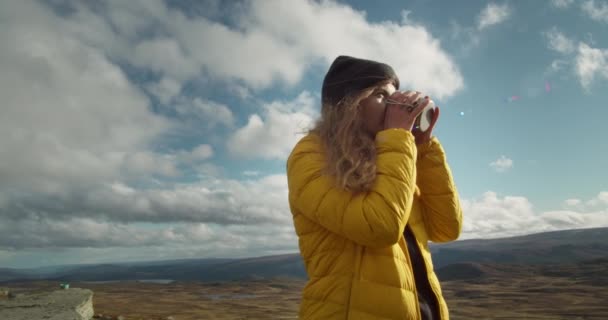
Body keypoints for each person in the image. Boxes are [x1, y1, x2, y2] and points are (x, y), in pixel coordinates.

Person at [286, 55, 463, 320]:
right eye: (381, 94)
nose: (394, 104)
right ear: (349, 104)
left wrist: (423, 148)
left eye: (395, 95)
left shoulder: (391, 156)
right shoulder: (310, 156)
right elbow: (379, 227)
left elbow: (447, 228)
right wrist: (399, 139)